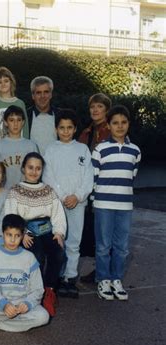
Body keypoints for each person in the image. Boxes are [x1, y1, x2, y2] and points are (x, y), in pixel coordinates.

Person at [5, 152, 66, 317]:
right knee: (37, 255)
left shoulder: (48, 191)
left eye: (38, 168)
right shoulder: (15, 191)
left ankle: (49, 291)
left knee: (58, 253)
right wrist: (21, 233)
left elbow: (57, 213)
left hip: (47, 230)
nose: (34, 171)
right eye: (30, 167)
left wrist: (59, 232)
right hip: (27, 231)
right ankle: (34, 293)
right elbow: (11, 215)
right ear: (23, 168)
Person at [43, 109, 93, 298]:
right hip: (57, 203)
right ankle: (56, 275)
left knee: (74, 241)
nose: (65, 131)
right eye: (62, 128)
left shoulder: (82, 150)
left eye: (69, 128)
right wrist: (63, 196)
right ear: (56, 129)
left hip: (77, 203)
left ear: (75, 129)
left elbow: (88, 177)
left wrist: (78, 196)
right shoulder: (51, 149)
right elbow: (48, 176)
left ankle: (70, 277)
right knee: (58, 239)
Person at [92, 105, 141, 301]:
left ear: (128, 124)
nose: (120, 126)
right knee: (103, 245)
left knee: (121, 246)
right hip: (103, 204)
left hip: (125, 206)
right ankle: (103, 280)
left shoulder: (135, 151)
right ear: (109, 125)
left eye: (123, 122)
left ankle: (116, 279)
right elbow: (94, 178)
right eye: (115, 123)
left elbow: (132, 176)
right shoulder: (100, 149)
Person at [0, 214, 50, 332]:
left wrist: (28, 304)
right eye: (9, 235)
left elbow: (38, 289)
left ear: (22, 236)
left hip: (22, 307)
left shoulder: (29, 258)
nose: (12, 240)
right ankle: (18, 324)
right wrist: (3, 304)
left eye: (17, 236)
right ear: (3, 233)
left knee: (43, 316)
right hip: (0, 304)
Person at [77, 93, 112, 283]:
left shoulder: (111, 131)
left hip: (104, 186)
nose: (95, 110)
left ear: (106, 109)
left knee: (105, 230)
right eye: (92, 107)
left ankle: (105, 271)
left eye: (99, 106)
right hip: (87, 186)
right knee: (91, 229)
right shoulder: (86, 132)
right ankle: (99, 268)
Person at [0, 105, 39, 190]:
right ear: (5, 122)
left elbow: (36, 173)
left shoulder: (31, 146)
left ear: (23, 122)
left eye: (19, 120)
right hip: (4, 193)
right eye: (11, 120)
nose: (15, 124)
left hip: (26, 192)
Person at [0, 67, 29, 147]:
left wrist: (25, 144)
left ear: (11, 82)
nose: (3, 84)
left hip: (18, 147)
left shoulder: (19, 103)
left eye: (6, 81)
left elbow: (25, 127)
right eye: (0, 82)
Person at [26, 76, 58, 155]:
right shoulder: (25, 116)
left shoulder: (61, 115)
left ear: (51, 94)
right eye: (38, 93)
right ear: (33, 96)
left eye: (46, 92)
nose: (42, 96)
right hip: (32, 165)